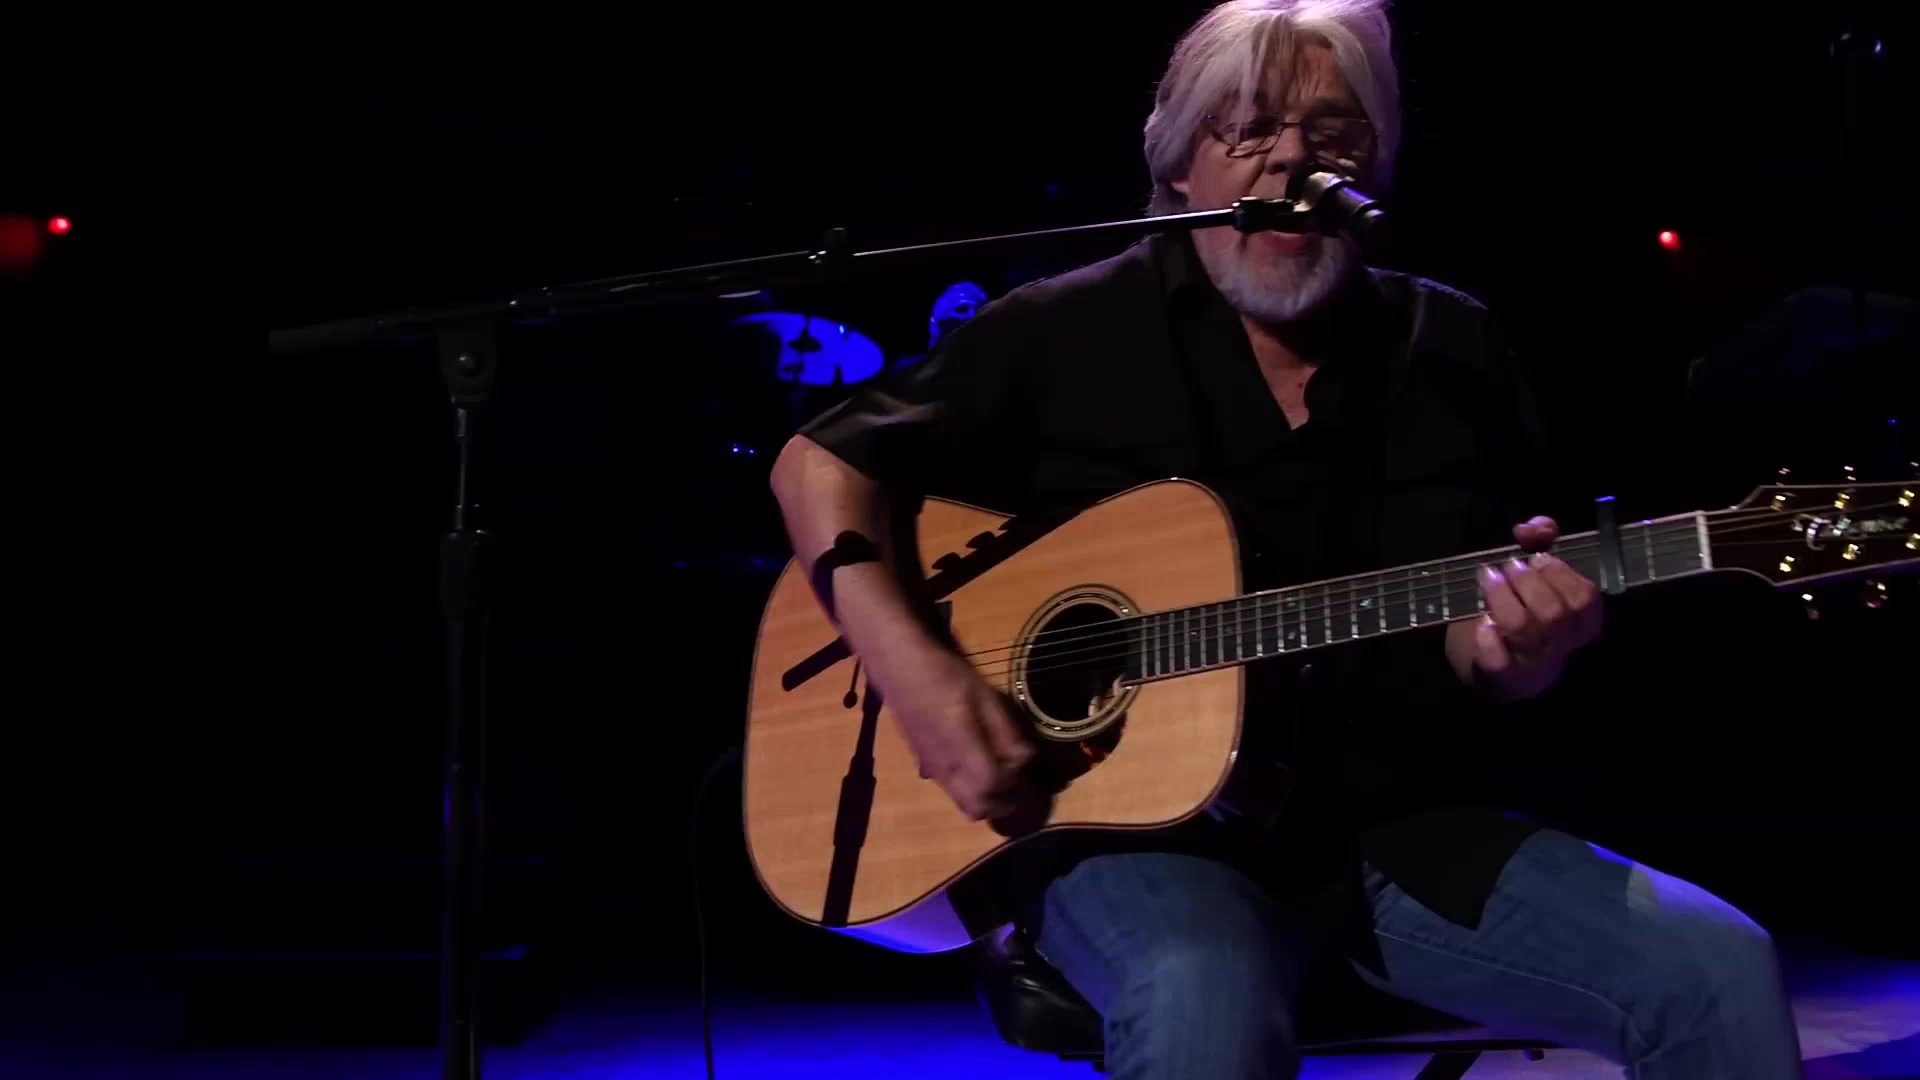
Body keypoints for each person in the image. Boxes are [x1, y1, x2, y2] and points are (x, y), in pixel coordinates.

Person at [768, 2, 1803, 1076]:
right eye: (1248, 127)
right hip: (1129, 841)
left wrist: (1519, 653)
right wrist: (918, 671)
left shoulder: (1450, 346)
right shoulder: (1063, 328)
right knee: (1204, 997)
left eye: (1333, 130)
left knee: (1713, 966)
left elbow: (1479, 643)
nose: (1294, 158)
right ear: (1181, 166)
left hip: (1393, 837)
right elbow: (818, 463)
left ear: (1374, 165)